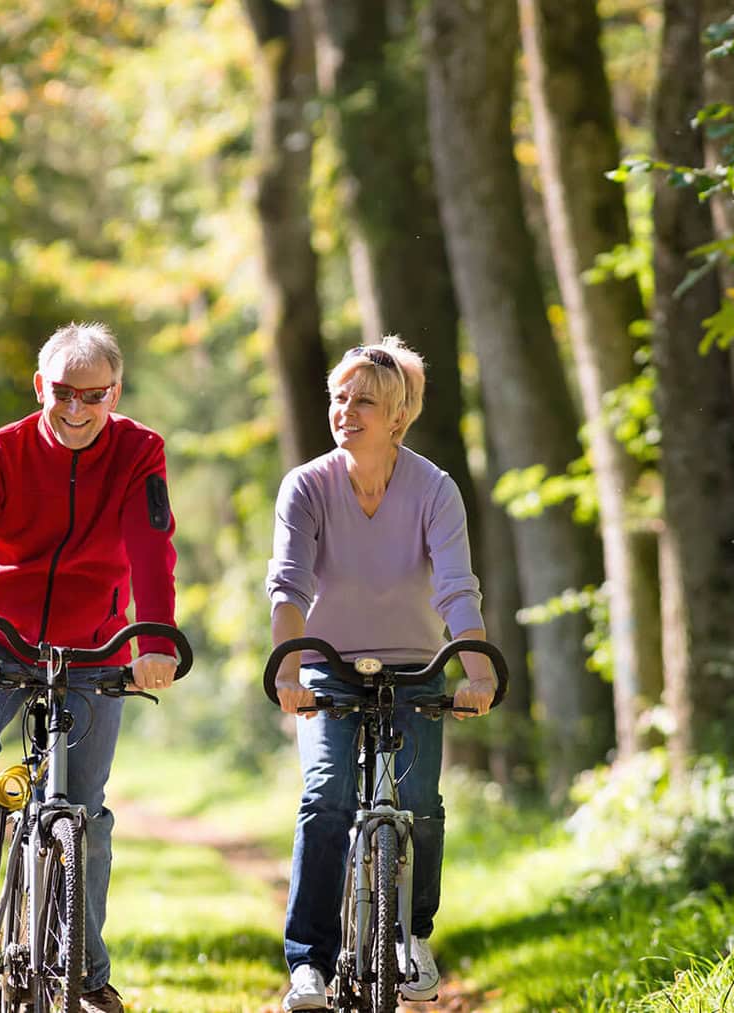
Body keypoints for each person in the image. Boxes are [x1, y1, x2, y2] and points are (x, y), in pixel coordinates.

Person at [0, 322, 180, 1013]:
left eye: (92, 396)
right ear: (41, 386)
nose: (75, 409)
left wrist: (154, 638)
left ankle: (85, 971)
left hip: (94, 644)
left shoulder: (137, 450)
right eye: (62, 392)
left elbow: (151, 546)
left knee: (83, 811)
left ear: (115, 393)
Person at [265, 337, 498, 1011]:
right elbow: (288, 585)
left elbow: (457, 588)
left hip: (417, 666)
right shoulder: (307, 485)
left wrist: (475, 670)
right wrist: (288, 665)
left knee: (420, 802)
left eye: (363, 399)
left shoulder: (434, 489)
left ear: (396, 417)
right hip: (330, 672)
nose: (345, 409)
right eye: (339, 397)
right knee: (325, 795)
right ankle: (309, 963)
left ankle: (413, 935)